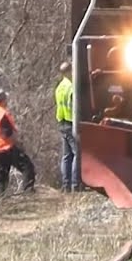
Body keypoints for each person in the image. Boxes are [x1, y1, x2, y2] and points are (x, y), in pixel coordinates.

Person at [0, 89, 36, 195]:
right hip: (6, 147)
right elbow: (7, 132)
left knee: (1, 176)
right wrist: (18, 143)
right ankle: (28, 192)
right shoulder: (2, 114)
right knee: (27, 167)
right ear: (3, 100)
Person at [55, 61, 79, 192]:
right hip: (71, 122)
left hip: (61, 122)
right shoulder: (71, 87)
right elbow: (75, 106)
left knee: (66, 156)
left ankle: (65, 185)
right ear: (70, 71)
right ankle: (75, 184)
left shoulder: (59, 87)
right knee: (76, 154)